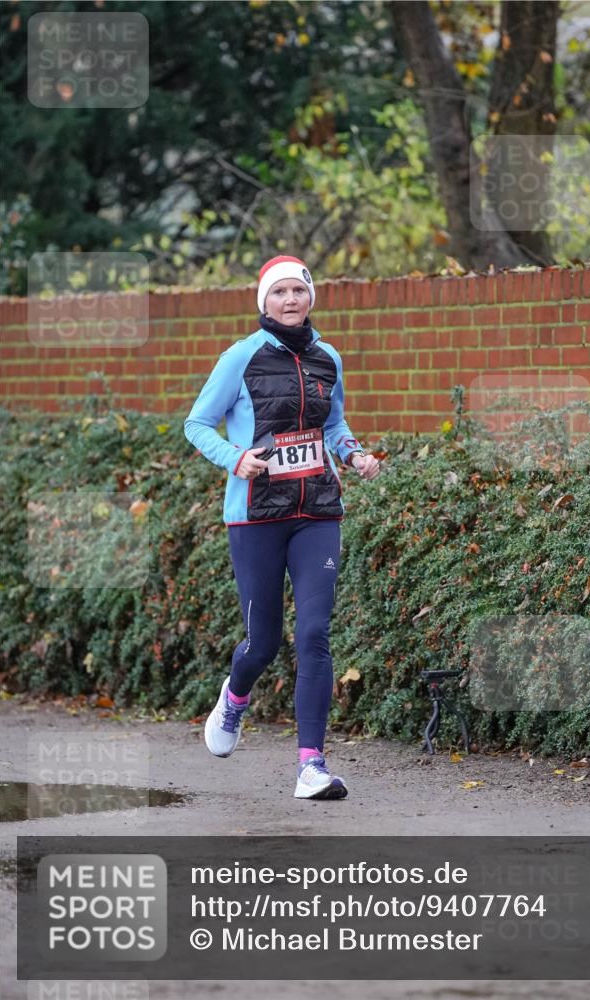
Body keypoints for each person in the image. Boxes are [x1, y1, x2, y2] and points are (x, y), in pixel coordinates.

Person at [184, 255, 380, 800]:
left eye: (299, 290)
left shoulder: (327, 358)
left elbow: (333, 422)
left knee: (314, 634)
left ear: (310, 297)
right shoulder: (240, 357)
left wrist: (354, 453)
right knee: (263, 642)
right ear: (264, 301)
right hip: (256, 516)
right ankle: (235, 697)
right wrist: (235, 458)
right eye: (280, 292)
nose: (290, 299)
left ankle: (311, 766)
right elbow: (197, 423)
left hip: (317, 510)